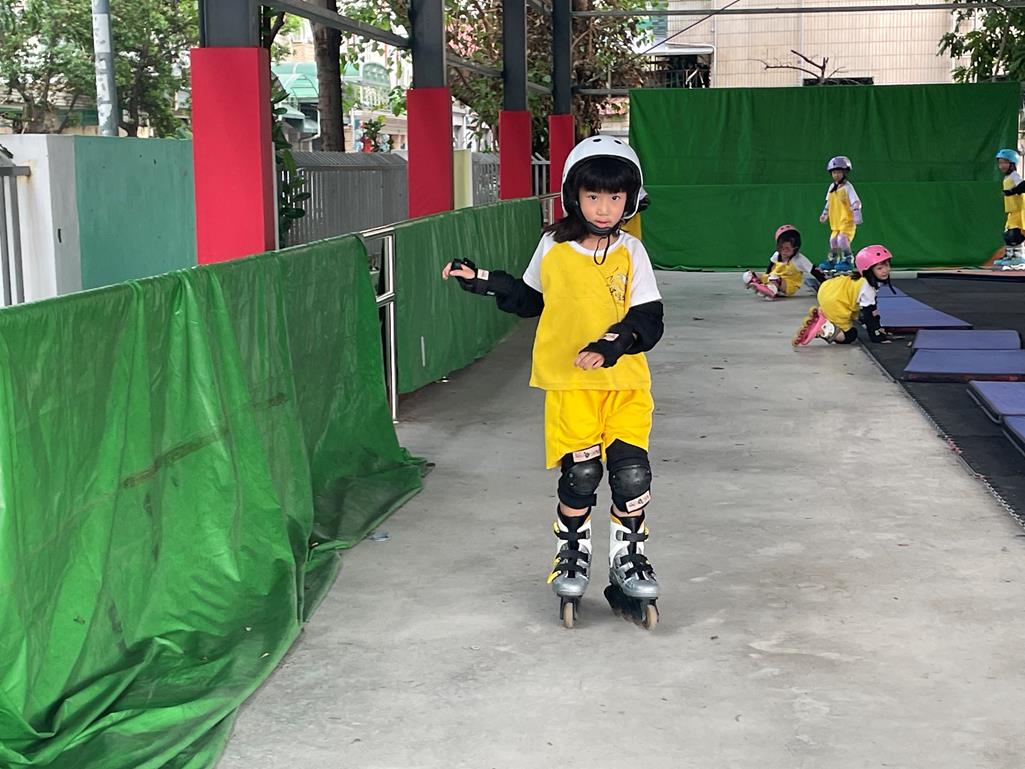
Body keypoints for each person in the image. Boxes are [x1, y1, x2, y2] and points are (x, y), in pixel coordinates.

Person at [442, 136, 664, 629]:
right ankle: (572, 553)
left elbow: (649, 317)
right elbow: (530, 298)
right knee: (580, 476)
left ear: (630, 199)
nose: (604, 208)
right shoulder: (554, 247)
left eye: (615, 197)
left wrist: (613, 343)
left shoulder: (632, 251)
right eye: (593, 196)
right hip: (570, 385)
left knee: (631, 476)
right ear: (573, 196)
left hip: (626, 385)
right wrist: (484, 280)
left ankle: (627, 559)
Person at [793, 244, 895, 346]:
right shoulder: (867, 287)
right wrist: (877, 336)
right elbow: (870, 315)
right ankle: (826, 329)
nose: (885, 270)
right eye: (879, 268)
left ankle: (825, 315)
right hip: (836, 303)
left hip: (826, 290)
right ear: (868, 270)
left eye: (887, 265)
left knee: (854, 313)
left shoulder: (859, 279)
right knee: (850, 335)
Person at [743, 224, 823, 299]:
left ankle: (771, 291)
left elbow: (814, 271)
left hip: (788, 285)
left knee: (774, 277)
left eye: (787, 248)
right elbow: (770, 267)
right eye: (781, 247)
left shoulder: (799, 259)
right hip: (773, 278)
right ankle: (762, 285)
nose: (784, 251)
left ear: (795, 248)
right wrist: (763, 278)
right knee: (748, 274)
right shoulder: (777, 255)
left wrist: (825, 284)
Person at [817, 156, 863, 274]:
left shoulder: (848, 187)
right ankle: (833, 260)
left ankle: (848, 260)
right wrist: (824, 214)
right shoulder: (832, 187)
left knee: (842, 239)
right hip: (836, 222)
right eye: (834, 172)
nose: (836, 175)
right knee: (833, 240)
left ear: (844, 173)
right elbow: (829, 202)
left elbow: (855, 202)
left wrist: (857, 214)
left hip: (847, 220)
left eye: (838, 172)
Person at [993, 148, 1025, 270]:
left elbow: (1023, 185)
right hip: (1011, 211)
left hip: (1019, 210)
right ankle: (1010, 255)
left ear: (1012, 164)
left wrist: (1013, 191)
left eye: (1005, 162)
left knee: (1014, 234)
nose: (1002, 165)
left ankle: (1018, 256)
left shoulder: (1014, 175)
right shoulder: (1007, 178)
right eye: (1000, 163)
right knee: (1007, 234)